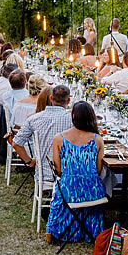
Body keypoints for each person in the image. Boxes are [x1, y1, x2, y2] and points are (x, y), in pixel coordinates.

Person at [45, 102, 106, 243]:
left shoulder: (59, 138)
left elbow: (58, 170)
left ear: (73, 117)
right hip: (93, 192)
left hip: (68, 191)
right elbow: (98, 170)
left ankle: (63, 230)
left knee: (60, 191)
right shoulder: (97, 139)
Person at [11, 85, 73, 185]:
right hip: (69, 174)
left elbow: (16, 143)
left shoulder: (34, 118)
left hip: (44, 174)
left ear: (51, 98)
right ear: (68, 101)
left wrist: (29, 162)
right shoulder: (73, 119)